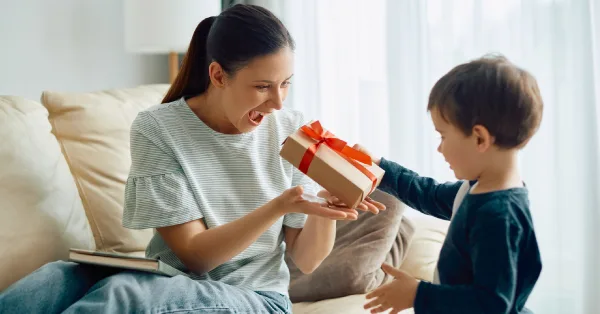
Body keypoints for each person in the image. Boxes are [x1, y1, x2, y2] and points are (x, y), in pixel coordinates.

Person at [0, 4, 385, 313]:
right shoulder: (158, 128)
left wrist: (326, 207)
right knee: (53, 281)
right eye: (262, 87)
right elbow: (196, 256)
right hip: (168, 277)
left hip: (257, 300)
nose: (278, 102)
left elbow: (308, 260)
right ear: (218, 75)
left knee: (126, 294)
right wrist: (279, 205)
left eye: (285, 84)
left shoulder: (292, 131)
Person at [361, 55, 543, 314]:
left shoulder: (498, 216)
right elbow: (430, 194)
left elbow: (491, 304)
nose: (439, 147)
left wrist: (418, 294)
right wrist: (380, 167)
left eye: (443, 136)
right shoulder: (476, 188)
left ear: (480, 138)